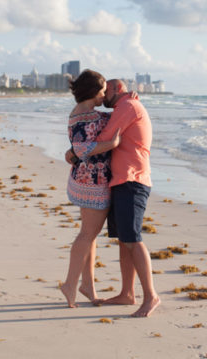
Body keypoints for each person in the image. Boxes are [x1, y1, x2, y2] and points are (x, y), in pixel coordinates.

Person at [67, 79, 160, 317]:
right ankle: (127, 293)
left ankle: (151, 296)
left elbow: (105, 136)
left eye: (105, 91)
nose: (103, 96)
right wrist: (76, 150)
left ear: (117, 90)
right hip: (119, 180)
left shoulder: (127, 106)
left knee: (133, 238)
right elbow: (95, 134)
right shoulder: (124, 107)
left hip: (132, 180)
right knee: (124, 239)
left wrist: (77, 152)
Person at [60, 70, 121, 308]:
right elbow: (82, 148)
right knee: (87, 235)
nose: (105, 95)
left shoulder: (87, 114)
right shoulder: (82, 117)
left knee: (90, 235)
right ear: (94, 92)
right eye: (103, 91)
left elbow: (77, 149)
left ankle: (88, 286)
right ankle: (70, 284)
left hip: (88, 179)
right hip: (91, 182)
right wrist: (111, 144)